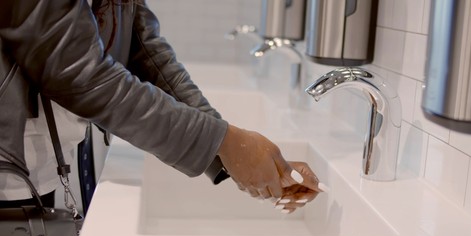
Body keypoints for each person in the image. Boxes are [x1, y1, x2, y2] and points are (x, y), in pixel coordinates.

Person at [0, 0, 321, 214]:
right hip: (11, 166)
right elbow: (79, 73)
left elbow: (145, 51)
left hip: (46, 162)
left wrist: (228, 152)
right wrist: (225, 141)